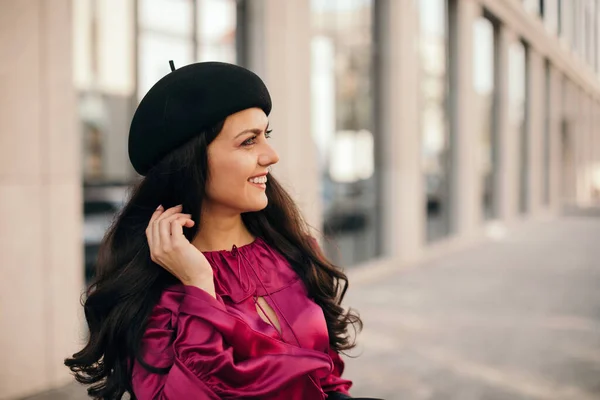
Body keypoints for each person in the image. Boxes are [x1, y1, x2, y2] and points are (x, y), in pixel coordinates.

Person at [65, 61, 369, 400]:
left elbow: (327, 378)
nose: (271, 155)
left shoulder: (296, 251)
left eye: (265, 135)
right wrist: (199, 288)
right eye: (248, 141)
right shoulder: (155, 288)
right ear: (191, 161)